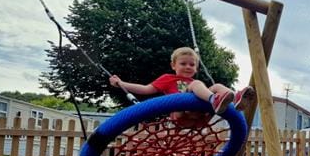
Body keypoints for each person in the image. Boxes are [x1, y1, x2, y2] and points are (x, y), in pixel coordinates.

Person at [108, 47, 255, 116]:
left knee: (216, 86)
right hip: (180, 113)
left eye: (192, 65)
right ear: (173, 65)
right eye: (183, 64)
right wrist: (122, 83)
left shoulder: (194, 82)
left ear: (196, 68)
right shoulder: (168, 78)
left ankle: (235, 99)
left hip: (199, 115)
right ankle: (213, 99)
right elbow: (146, 89)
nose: (188, 67)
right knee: (197, 85)